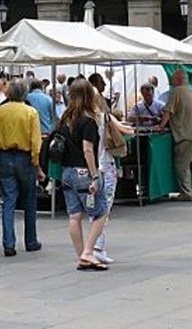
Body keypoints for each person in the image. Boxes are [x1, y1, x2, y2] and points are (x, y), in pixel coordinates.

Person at [56, 79, 109, 271]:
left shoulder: (64, 119)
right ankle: (88, 251)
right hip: (83, 172)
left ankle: (82, 256)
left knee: (74, 215)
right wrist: (95, 176)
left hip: (66, 172)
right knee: (101, 212)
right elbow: (88, 150)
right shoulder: (88, 121)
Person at [0, 79, 43, 258]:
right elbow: (36, 142)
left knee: (8, 200)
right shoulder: (31, 113)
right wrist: (36, 163)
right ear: (24, 94)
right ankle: (31, 240)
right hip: (25, 158)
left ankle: (9, 243)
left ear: (8, 93)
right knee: (29, 200)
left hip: (4, 156)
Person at [158, 68, 192, 202]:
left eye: (173, 78)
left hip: (187, 135)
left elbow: (168, 112)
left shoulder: (177, 91)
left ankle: (186, 192)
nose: (171, 81)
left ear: (178, 80)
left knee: (183, 165)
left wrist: (160, 126)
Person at [93, 109, 134, 265]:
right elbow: (127, 130)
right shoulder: (104, 117)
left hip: (86, 167)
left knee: (89, 209)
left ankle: (93, 246)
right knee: (104, 208)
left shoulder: (75, 117)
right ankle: (98, 246)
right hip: (105, 164)